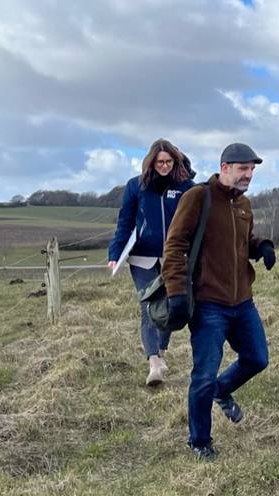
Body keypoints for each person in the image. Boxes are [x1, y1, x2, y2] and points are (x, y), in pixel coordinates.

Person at [161, 142, 276, 461]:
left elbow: (243, 242)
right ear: (224, 168)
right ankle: (200, 441)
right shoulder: (198, 197)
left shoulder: (245, 205)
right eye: (243, 168)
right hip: (208, 303)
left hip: (242, 301)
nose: (248, 175)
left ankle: (222, 390)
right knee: (203, 375)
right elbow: (174, 246)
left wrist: (261, 246)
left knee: (257, 358)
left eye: (252, 169)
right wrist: (176, 292)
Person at [107, 139, 196, 387]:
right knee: (148, 305)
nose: (164, 166)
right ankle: (154, 363)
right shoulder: (136, 186)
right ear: (151, 162)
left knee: (170, 304)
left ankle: (162, 349)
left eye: (169, 161)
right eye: (160, 162)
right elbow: (125, 222)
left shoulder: (186, 187)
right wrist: (115, 254)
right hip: (142, 257)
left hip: (174, 256)